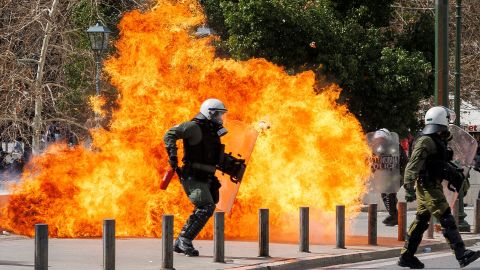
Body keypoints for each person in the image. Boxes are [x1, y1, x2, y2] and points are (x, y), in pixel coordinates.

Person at [398, 106, 480, 269]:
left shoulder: (437, 139)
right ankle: (461, 254)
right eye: (447, 120)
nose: (449, 123)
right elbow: (412, 165)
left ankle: (407, 256)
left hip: (432, 184)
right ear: (441, 120)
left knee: (422, 221)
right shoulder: (425, 141)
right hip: (428, 186)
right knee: (446, 217)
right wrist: (408, 187)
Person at [164, 98, 228, 256]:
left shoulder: (212, 132)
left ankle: (180, 242)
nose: (220, 118)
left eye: (221, 114)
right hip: (193, 176)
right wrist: (173, 156)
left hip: (206, 177)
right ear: (209, 113)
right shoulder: (193, 126)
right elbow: (169, 134)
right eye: (218, 114)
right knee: (206, 207)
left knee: (205, 207)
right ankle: (185, 239)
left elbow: (211, 155)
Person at [372, 129, 408, 226]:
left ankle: (394, 215)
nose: (380, 141)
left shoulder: (394, 147)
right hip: (387, 176)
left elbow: (403, 161)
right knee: (384, 193)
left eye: (382, 139)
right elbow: (374, 163)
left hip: (400, 173)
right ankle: (394, 214)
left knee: (389, 191)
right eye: (378, 139)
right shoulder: (377, 149)